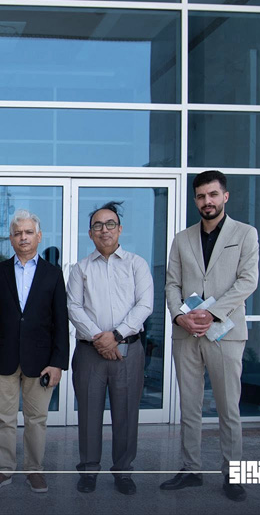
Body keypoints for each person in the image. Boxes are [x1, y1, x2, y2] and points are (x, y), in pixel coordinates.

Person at [161, 170, 259, 502]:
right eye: (202, 196)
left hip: (225, 333)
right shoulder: (182, 238)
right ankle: (191, 469)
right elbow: (172, 284)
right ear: (195, 200)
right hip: (187, 333)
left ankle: (232, 474)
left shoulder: (245, 234)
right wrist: (180, 316)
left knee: (228, 407)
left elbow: (248, 281)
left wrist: (212, 312)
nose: (208, 201)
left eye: (213, 195)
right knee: (189, 406)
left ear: (225, 196)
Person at [0, 209, 68, 494]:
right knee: (4, 418)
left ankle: (34, 471)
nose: (23, 237)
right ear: (11, 239)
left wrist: (57, 363)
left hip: (41, 362)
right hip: (2, 359)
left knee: (36, 419)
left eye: (29, 232)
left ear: (39, 237)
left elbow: (61, 322)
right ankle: (3, 469)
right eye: (18, 233)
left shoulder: (53, 274)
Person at [66, 201, 153, 495]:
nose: (104, 230)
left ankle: (123, 472)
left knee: (126, 414)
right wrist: (100, 339)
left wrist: (116, 335)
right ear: (90, 233)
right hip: (90, 352)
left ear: (120, 229)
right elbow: (73, 307)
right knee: (89, 413)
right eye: (98, 225)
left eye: (110, 224)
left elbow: (145, 305)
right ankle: (89, 470)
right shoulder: (80, 268)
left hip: (128, 351)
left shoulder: (136, 264)